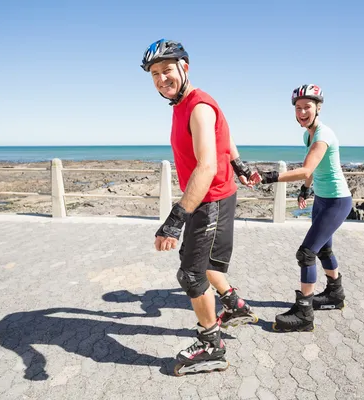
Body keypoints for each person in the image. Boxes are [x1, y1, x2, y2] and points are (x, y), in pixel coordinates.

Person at [141, 38, 258, 375]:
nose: (162, 79)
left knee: (191, 272)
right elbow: (227, 137)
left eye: (167, 70)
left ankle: (211, 346)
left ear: (184, 68)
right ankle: (235, 305)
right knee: (203, 263)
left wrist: (175, 220)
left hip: (210, 200)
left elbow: (205, 167)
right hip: (214, 196)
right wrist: (241, 165)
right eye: (154, 74)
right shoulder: (184, 104)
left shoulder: (199, 106)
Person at [256, 84, 352, 332]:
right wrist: (306, 190)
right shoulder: (307, 135)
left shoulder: (322, 135)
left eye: (307, 107)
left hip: (337, 200)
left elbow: (306, 169)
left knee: (306, 253)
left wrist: (270, 177)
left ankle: (304, 314)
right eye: (298, 108)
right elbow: (314, 169)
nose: (302, 112)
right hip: (322, 198)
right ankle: (334, 294)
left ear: (318, 108)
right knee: (324, 249)